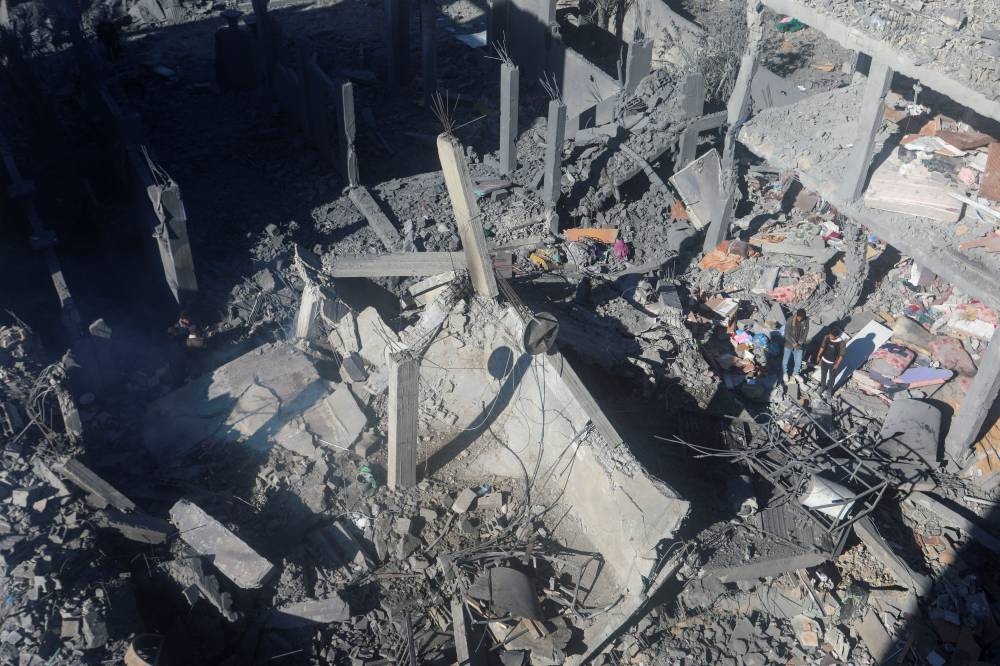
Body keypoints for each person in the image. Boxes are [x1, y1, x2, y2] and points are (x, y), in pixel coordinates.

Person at [815, 327, 847, 394]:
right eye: (830, 334)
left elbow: (841, 355)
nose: (830, 336)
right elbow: (822, 347)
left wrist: (837, 364)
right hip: (824, 360)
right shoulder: (826, 337)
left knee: (832, 378)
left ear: (837, 336)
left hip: (833, 363)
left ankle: (829, 391)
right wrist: (818, 355)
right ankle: (822, 387)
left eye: (832, 336)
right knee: (823, 374)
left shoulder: (841, 343)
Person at [782, 309, 809, 383]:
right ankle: (785, 373)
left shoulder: (806, 320)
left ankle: (796, 373)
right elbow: (786, 334)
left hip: (799, 344)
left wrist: (800, 343)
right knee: (786, 360)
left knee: (798, 360)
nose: (800, 319)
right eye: (799, 317)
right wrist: (794, 343)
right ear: (797, 315)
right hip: (789, 343)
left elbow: (805, 333)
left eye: (802, 318)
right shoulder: (790, 320)